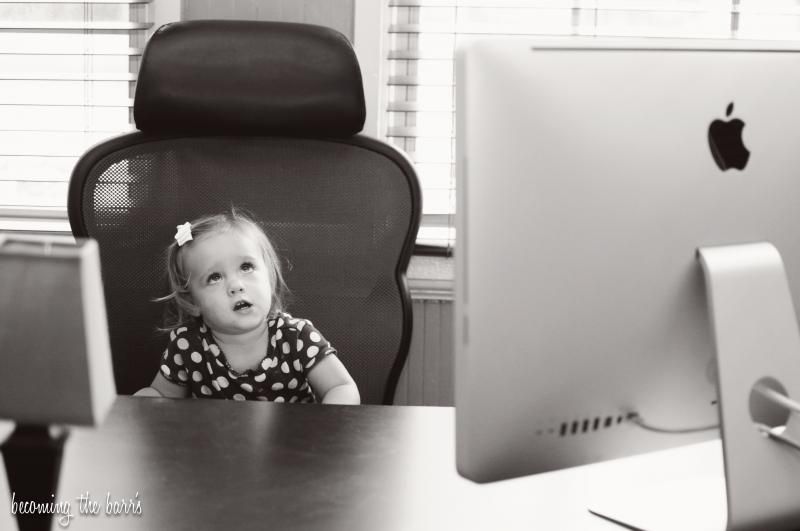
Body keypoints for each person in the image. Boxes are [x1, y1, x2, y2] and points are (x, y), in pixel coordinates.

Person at [135, 210, 360, 404]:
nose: (236, 286)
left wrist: (328, 424)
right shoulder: (187, 345)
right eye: (214, 277)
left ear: (270, 279)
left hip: (295, 445)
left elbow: (340, 387)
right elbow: (161, 395)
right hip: (214, 449)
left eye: (246, 267)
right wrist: (139, 404)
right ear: (193, 302)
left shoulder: (296, 337)